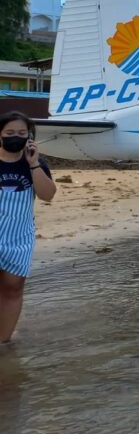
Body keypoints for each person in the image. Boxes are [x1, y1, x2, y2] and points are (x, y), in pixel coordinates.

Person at [0, 111, 57, 343]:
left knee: (12, 290)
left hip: (19, 238)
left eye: (22, 133)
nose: (16, 137)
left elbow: (48, 195)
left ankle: (3, 342)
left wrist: (33, 165)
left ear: (30, 136)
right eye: (9, 133)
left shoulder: (36, 164)